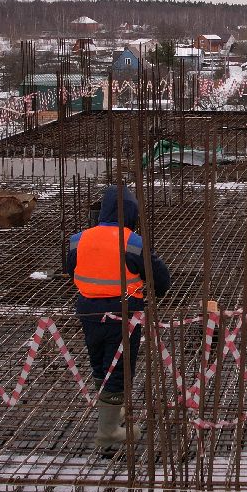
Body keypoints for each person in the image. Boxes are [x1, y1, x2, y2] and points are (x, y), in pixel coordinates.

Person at [65, 184, 171, 453]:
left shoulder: (79, 238)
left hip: (87, 310)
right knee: (120, 366)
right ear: (133, 213)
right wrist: (155, 291)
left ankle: (111, 411)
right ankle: (108, 432)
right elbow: (159, 276)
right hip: (122, 312)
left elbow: (70, 268)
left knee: (100, 362)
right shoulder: (132, 242)